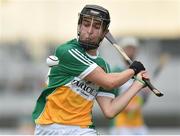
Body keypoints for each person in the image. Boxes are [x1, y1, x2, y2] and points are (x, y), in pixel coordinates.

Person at [32, 5, 149, 135]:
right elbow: (109, 82)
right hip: (52, 128)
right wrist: (133, 69)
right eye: (86, 24)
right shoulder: (67, 51)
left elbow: (110, 110)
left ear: (104, 33)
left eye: (96, 27)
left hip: (82, 129)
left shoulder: (102, 66)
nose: (89, 31)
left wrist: (137, 84)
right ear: (79, 26)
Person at [109, 37, 150, 135]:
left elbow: (142, 99)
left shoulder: (141, 72)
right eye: (127, 48)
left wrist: (145, 95)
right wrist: (126, 107)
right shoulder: (116, 71)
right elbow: (109, 100)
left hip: (138, 123)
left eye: (133, 48)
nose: (130, 51)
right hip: (120, 124)